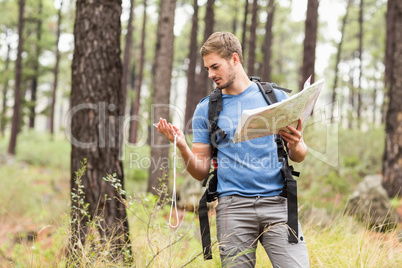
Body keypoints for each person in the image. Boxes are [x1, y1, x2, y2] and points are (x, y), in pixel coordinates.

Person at [156, 32, 309, 267]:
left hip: (278, 205)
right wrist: (182, 146)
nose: (211, 74)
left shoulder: (275, 98)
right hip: (233, 210)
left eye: (215, 66)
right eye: (207, 68)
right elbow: (199, 171)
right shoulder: (206, 110)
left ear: (234, 59)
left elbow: (298, 155)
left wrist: (297, 143)